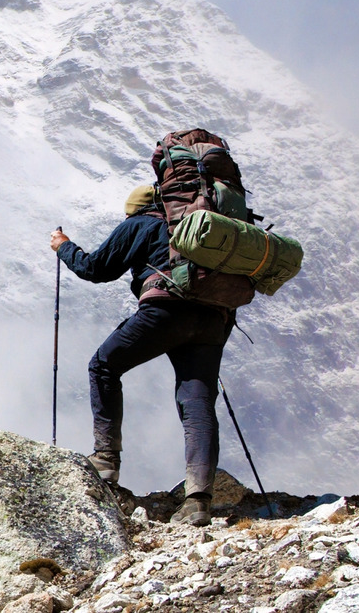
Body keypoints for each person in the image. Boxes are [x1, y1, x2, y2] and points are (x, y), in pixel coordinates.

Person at [49, 185, 234, 526]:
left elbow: (96, 268)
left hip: (165, 311)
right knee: (197, 402)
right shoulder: (204, 228)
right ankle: (198, 501)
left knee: (103, 365)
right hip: (213, 318)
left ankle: (105, 459)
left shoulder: (141, 223)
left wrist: (64, 247)